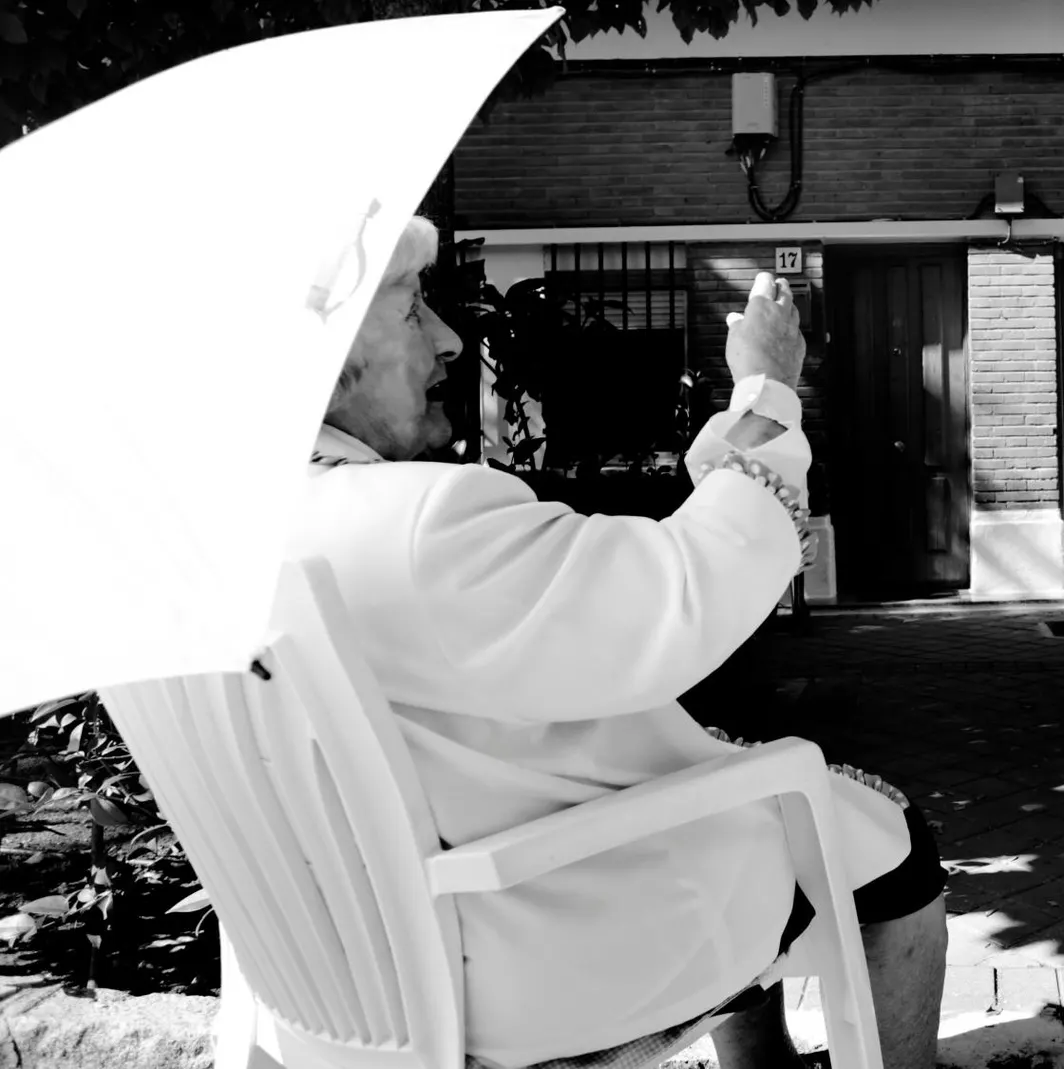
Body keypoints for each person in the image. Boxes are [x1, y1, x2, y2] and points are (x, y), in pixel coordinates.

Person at [291, 215, 948, 1069]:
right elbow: (686, 593)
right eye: (413, 308)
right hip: (526, 961)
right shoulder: (410, 525)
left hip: (343, 968)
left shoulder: (234, 549)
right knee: (886, 842)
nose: (449, 339)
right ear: (329, 351)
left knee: (729, 789)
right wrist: (767, 390)